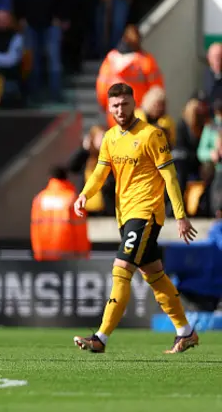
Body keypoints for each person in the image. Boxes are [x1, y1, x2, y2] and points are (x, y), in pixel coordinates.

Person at [73, 83, 199, 354]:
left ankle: (101, 337)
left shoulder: (152, 135)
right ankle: (185, 332)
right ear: (109, 107)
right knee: (154, 275)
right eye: (115, 105)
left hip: (145, 214)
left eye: (125, 104)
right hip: (125, 215)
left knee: (121, 269)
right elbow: (99, 173)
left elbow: (170, 177)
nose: (120, 110)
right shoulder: (109, 138)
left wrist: (181, 215)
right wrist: (84, 194)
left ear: (134, 104)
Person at [31, 166, 90, 261]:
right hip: (69, 258)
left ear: (50, 179)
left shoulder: (39, 199)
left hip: (44, 256)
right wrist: (83, 256)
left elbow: (35, 230)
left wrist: (38, 254)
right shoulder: (73, 199)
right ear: (66, 178)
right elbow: (80, 231)